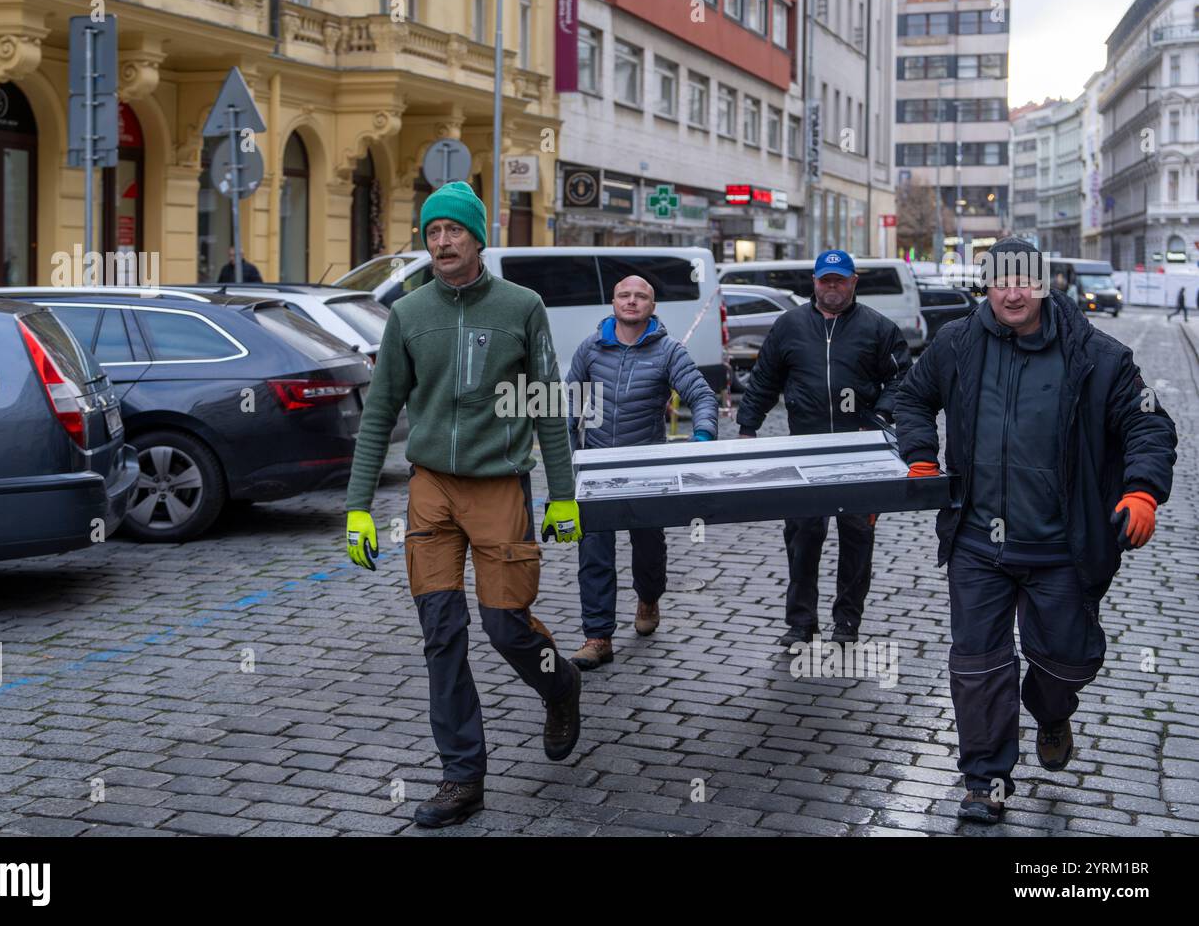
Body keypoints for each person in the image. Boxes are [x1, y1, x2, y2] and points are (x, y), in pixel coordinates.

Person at [895, 237, 1177, 825]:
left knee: (1066, 662)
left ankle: (1051, 711)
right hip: (978, 543)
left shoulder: (1099, 356)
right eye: (1002, 281)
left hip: (1062, 549)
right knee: (977, 664)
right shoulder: (956, 344)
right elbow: (913, 399)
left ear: (1043, 284)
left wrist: (1142, 490)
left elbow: (1149, 426)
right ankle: (985, 782)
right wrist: (921, 457)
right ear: (987, 285)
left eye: (1025, 280)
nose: (1013, 292)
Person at [343, 181, 583, 829]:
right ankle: (461, 777)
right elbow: (379, 416)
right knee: (441, 634)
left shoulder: (522, 307)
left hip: (500, 485)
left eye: (454, 230)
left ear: (478, 237)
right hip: (431, 491)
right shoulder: (407, 314)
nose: (442, 242)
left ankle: (560, 686)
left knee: (507, 627)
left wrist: (563, 496)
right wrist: (359, 507)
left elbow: (547, 409)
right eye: (432, 232)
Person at [737, 249, 910, 647]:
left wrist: (880, 416)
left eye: (840, 280)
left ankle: (847, 622)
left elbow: (903, 380)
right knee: (801, 536)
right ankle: (800, 622)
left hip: (860, 452)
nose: (832, 287)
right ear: (814, 282)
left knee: (857, 539)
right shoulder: (789, 326)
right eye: (825, 280)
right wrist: (748, 428)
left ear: (853, 282)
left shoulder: (878, 328)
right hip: (806, 450)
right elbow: (764, 379)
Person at [565, 275, 719, 670]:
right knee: (593, 550)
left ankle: (649, 597)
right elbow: (568, 405)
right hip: (596, 467)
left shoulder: (668, 352)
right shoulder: (590, 349)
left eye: (641, 296)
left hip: (647, 470)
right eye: (624, 295)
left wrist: (702, 436)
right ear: (613, 301)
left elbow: (701, 394)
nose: (631, 301)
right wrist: (564, 457)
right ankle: (598, 636)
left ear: (652, 307)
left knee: (648, 548)